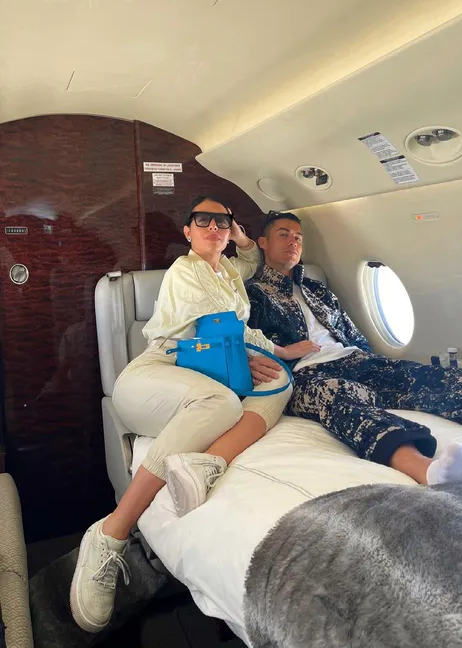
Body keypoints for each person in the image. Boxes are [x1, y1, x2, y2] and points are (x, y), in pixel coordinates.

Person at [70, 197, 317, 634]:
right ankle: (110, 533)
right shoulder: (184, 271)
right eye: (203, 220)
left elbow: (249, 261)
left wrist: (277, 353)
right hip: (159, 371)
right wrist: (266, 350)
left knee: (280, 381)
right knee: (223, 403)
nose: (213, 227)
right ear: (187, 231)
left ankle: (206, 462)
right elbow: (219, 326)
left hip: (214, 372)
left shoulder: (230, 273)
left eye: (221, 221)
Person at [246, 211, 462, 487]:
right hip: (304, 374)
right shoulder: (253, 293)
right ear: (263, 243)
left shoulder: (318, 289)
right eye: (283, 234)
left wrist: (376, 362)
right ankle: (427, 469)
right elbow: (245, 342)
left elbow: (353, 334)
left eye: (298, 237)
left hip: (354, 360)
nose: (293, 241)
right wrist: (275, 355)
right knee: (339, 396)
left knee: (441, 379)